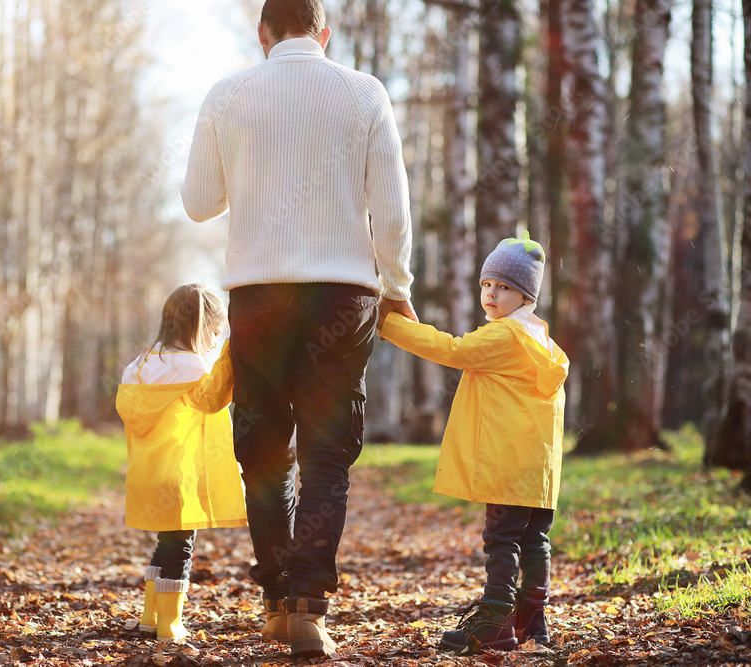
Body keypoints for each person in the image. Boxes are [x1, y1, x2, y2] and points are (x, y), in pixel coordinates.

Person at [181, 0, 415, 658]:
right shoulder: (365, 93)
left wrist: (251, 165)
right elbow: (392, 211)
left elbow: (199, 202)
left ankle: (277, 601)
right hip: (344, 296)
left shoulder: (228, 95)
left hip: (258, 298)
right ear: (324, 32)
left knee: (262, 452)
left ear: (262, 33)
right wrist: (398, 288)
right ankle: (309, 605)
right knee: (324, 456)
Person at [377, 233, 569, 654]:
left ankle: (497, 618)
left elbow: (449, 348)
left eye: (504, 287)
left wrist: (388, 323)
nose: (491, 294)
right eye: (487, 284)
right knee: (535, 540)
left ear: (526, 296)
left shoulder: (504, 337)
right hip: (538, 472)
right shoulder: (546, 344)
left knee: (501, 540)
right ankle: (533, 623)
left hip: (505, 467)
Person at [115, 284, 247, 641]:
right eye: (214, 334)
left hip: (149, 472)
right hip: (179, 475)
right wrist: (232, 356)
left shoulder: (141, 364)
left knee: (166, 543)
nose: (214, 341)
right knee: (181, 547)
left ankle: (151, 618)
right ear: (200, 326)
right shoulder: (190, 365)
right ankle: (170, 626)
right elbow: (212, 400)